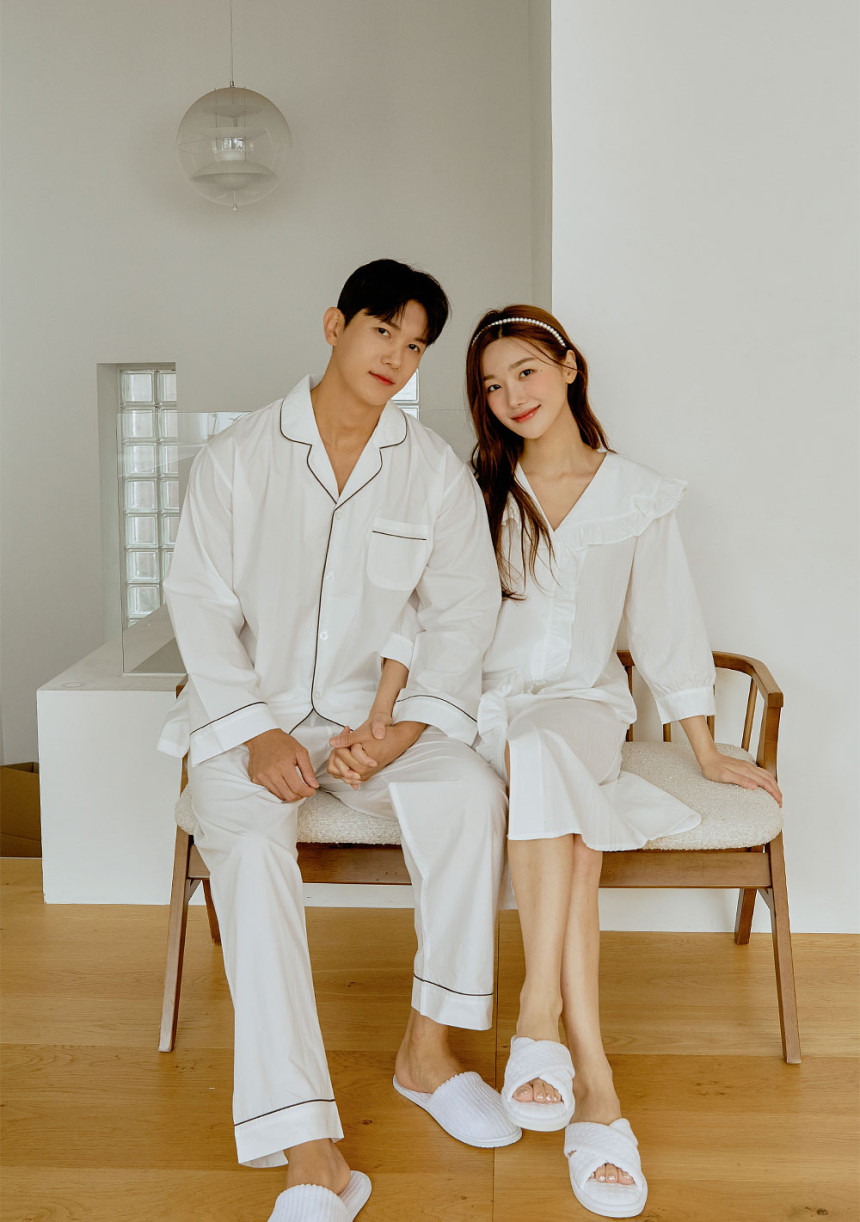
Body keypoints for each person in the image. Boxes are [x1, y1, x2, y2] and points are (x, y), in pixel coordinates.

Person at [157, 260, 520, 1222]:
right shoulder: (236, 458)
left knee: (472, 796)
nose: (396, 357)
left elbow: (463, 613)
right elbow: (197, 604)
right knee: (250, 851)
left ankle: (428, 1054)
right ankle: (310, 1150)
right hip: (251, 720)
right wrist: (254, 731)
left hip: (378, 720)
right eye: (381, 331)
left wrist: (398, 733)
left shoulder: (432, 469)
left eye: (416, 346)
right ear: (335, 326)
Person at [463, 304, 783, 1219]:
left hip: (583, 709)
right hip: (489, 713)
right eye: (492, 385)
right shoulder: (476, 491)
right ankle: (596, 1086)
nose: (511, 396)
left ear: (569, 367)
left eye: (526, 371)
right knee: (559, 803)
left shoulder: (636, 494)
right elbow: (434, 615)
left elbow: (669, 625)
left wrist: (705, 748)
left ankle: (537, 1020)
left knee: (549, 747)